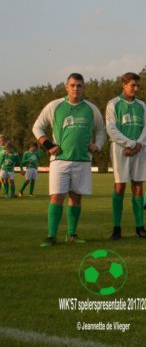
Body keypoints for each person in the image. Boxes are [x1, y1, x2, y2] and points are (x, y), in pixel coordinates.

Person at [32, 73, 106, 247]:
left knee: (76, 197)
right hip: (60, 160)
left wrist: (97, 146)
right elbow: (37, 127)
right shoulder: (55, 106)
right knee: (57, 196)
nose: (75, 88)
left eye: (79, 85)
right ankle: (51, 235)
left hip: (82, 160)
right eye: (72, 85)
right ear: (66, 87)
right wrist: (48, 145)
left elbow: (101, 130)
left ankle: (71, 234)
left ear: (84, 88)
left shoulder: (91, 108)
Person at [105, 72, 146, 240]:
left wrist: (138, 144)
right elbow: (111, 129)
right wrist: (130, 144)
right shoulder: (113, 104)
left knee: (138, 186)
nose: (136, 88)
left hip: (139, 149)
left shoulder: (141, 105)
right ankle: (116, 228)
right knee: (120, 186)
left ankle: (140, 228)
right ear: (124, 85)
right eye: (133, 85)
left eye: (138, 85)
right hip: (121, 149)